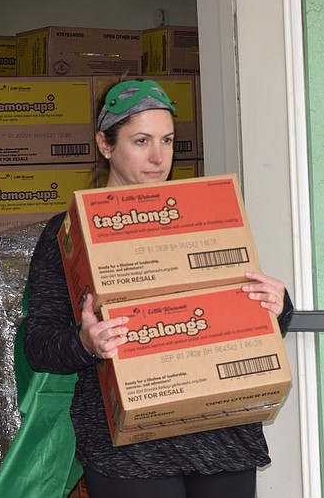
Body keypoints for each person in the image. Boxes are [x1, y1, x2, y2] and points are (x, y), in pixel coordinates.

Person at [23, 78, 294, 498]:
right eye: (141, 141)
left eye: (167, 141)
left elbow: (240, 316)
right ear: (105, 143)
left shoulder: (202, 212)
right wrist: (85, 343)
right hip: (130, 451)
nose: (157, 157)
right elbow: (37, 344)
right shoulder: (68, 233)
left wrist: (277, 305)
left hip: (223, 438)